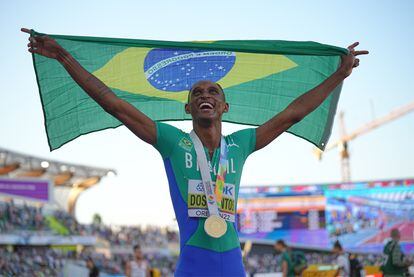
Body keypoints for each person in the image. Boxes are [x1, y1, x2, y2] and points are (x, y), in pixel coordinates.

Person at [21, 28, 367, 276]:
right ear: (188, 108)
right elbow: (114, 104)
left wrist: (339, 75)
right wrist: (64, 57)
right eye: (197, 92)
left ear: (224, 105)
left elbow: (294, 112)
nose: (206, 94)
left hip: (233, 262)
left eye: (213, 91)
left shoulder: (241, 145)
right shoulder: (173, 141)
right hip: (193, 262)